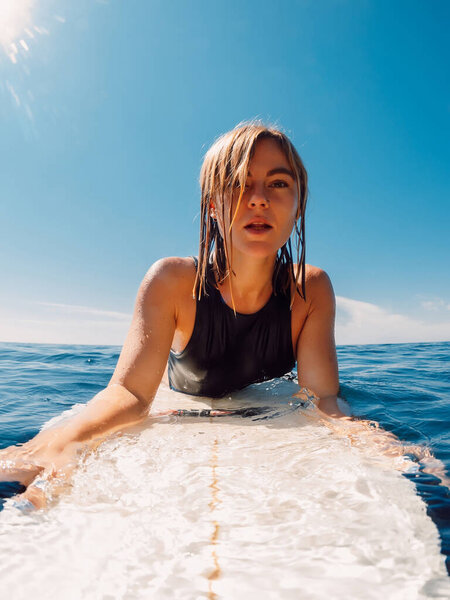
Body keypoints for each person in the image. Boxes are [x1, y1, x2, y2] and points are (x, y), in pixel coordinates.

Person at [0, 122, 355, 510]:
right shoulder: (173, 281)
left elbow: (322, 397)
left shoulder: (311, 289)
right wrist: (67, 440)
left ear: (299, 203)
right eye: (238, 183)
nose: (258, 199)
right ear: (213, 206)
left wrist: (366, 437)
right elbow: (131, 393)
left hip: (263, 399)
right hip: (181, 395)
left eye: (278, 183)